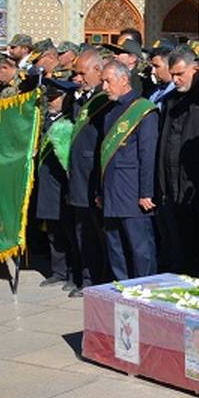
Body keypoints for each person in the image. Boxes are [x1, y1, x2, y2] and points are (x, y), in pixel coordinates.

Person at [154, 45, 199, 277]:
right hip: (172, 185)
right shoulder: (172, 99)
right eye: (172, 75)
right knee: (177, 242)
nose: (175, 80)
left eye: (180, 74)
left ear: (195, 69)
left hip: (198, 185)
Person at [96, 60, 159, 280]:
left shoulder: (143, 110)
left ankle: (145, 289)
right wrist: (100, 191)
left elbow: (147, 154)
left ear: (124, 80)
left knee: (140, 249)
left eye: (108, 81)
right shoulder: (110, 109)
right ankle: (122, 288)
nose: (104, 87)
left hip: (132, 191)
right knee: (116, 248)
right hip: (111, 190)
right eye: (103, 81)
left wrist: (146, 192)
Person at [67, 49, 111, 295]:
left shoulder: (105, 98)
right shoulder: (81, 99)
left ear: (97, 70)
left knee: (97, 233)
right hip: (78, 176)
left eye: (82, 73)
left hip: (93, 175)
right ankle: (85, 277)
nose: (78, 78)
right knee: (82, 231)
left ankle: (98, 280)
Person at [36, 79, 78, 289]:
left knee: (68, 230)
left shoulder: (70, 121)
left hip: (62, 184)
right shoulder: (43, 120)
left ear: (66, 98)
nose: (50, 102)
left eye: (55, 98)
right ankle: (58, 270)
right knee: (53, 230)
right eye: (49, 98)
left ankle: (73, 273)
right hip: (47, 182)